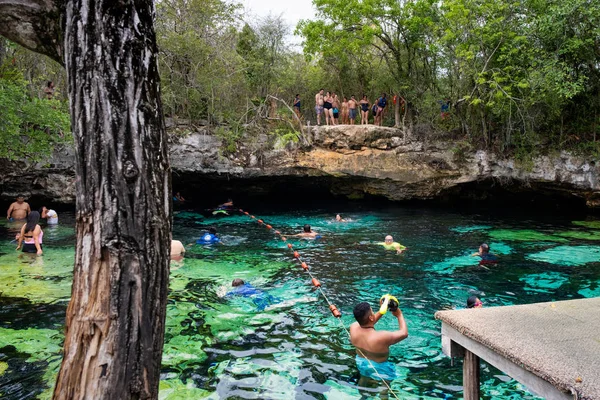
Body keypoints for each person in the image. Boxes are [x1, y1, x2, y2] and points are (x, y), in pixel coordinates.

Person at [349, 300, 408, 380]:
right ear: (370, 317)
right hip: (381, 367)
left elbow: (368, 322)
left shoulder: (353, 327)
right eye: (372, 311)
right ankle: (384, 392)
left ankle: (362, 390)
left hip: (361, 362)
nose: (374, 313)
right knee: (385, 384)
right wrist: (399, 315)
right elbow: (404, 333)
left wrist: (382, 311)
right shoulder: (381, 337)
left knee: (364, 377)